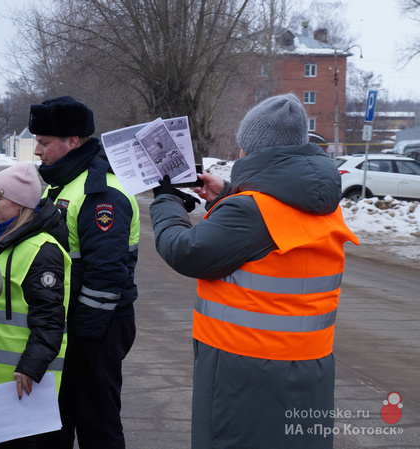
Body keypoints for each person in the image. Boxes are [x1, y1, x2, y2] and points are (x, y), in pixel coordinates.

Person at [149, 93, 359, 448]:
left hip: (244, 375)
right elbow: (272, 228)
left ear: (255, 149)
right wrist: (228, 194)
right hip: (310, 370)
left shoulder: (249, 213)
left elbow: (185, 252)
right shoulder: (324, 204)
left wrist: (166, 201)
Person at [28, 96, 140, 449]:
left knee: (98, 427)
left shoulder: (101, 194)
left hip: (96, 329)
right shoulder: (60, 183)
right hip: (69, 326)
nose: (36, 151)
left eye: (44, 142)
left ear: (73, 141)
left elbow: (106, 277)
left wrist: (82, 341)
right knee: (55, 424)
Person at [0, 162, 71, 449]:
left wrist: (30, 368)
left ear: (21, 203)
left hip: (22, 383)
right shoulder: (0, 241)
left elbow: (51, 321)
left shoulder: (41, 251)